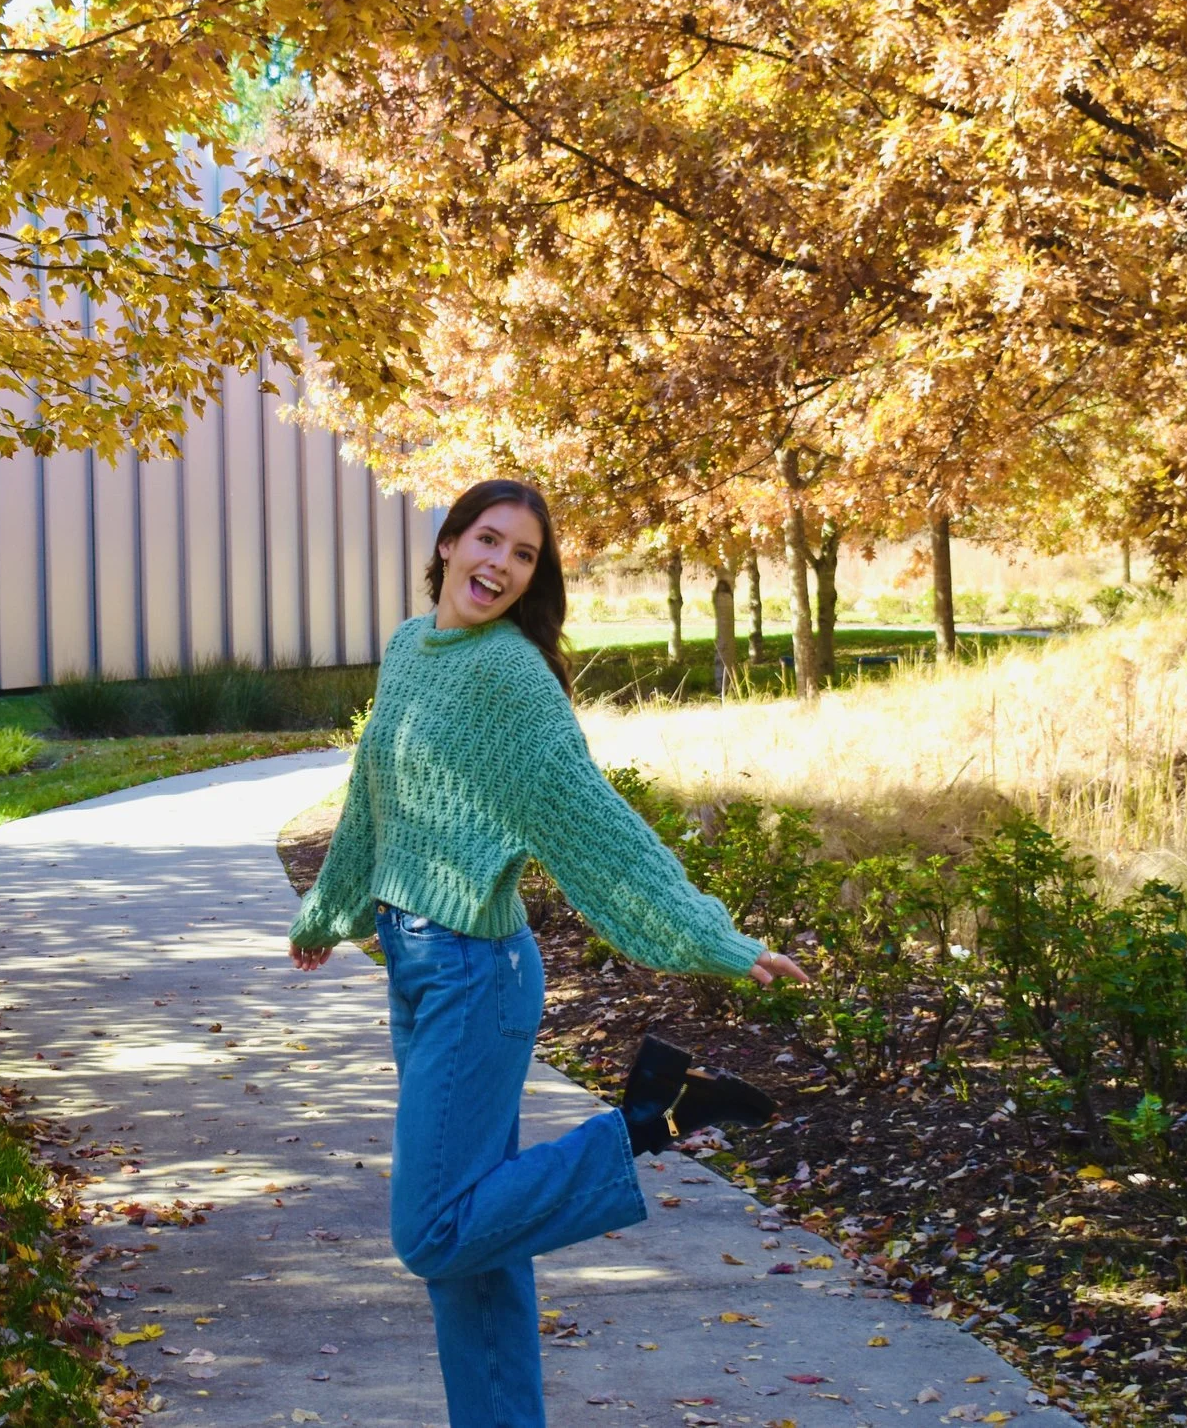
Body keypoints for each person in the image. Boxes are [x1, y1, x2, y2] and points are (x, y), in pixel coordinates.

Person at [288, 478, 811, 1428]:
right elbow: (372, 788)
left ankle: (651, 1121)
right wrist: (330, 909)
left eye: (523, 555)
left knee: (432, 1230)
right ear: (447, 543)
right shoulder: (410, 648)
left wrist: (713, 937)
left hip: (474, 978)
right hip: (413, 964)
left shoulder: (512, 680)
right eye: (488, 540)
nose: (500, 564)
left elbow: (596, 826)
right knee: (477, 1249)